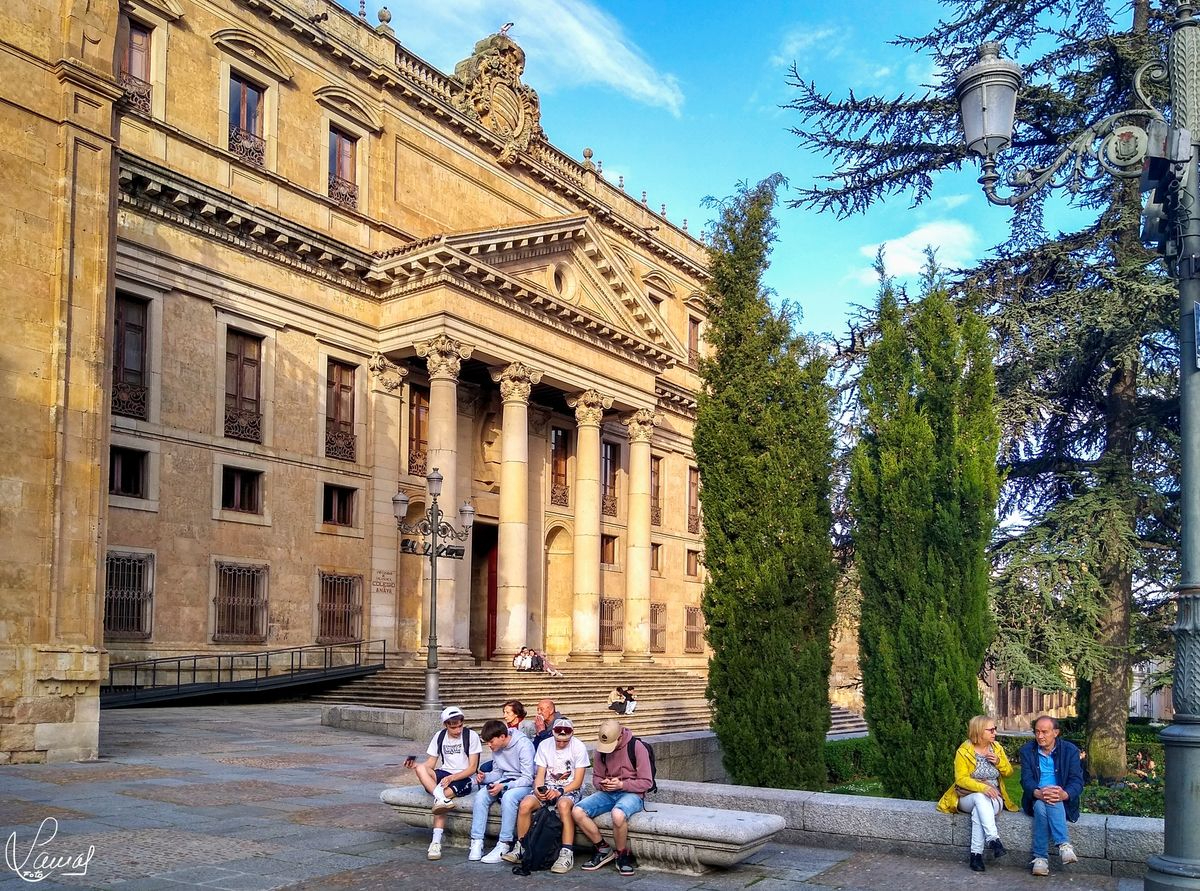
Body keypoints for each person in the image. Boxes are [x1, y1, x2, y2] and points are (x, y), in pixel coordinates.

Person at [503, 717, 590, 873]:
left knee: (563, 805)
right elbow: (540, 774)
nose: (561, 743)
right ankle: (522, 845)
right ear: (553, 735)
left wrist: (560, 791)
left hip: (569, 788)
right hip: (548, 785)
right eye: (558, 741)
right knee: (525, 804)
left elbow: (578, 781)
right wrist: (538, 788)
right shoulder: (544, 745)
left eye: (565, 741)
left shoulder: (579, 747)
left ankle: (566, 852)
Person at [571, 717, 652, 876]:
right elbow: (596, 778)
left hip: (632, 793)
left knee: (618, 814)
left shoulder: (636, 747)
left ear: (620, 736)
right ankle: (603, 848)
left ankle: (622, 854)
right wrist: (604, 784)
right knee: (577, 811)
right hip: (608, 793)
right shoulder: (601, 749)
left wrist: (622, 785)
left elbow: (647, 782)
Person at [936, 715, 1016, 872]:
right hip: (967, 797)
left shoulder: (997, 748)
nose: (995, 733)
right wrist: (983, 787)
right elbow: (961, 779)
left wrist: (999, 762)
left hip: (995, 798)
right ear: (979, 731)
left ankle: (976, 855)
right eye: (991, 730)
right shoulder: (964, 751)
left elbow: (1009, 773)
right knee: (980, 798)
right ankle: (993, 838)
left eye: (995, 729)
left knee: (979, 812)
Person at [404, 705, 482, 861]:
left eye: (460, 726)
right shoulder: (439, 736)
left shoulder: (470, 736)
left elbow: (473, 768)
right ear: (445, 725)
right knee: (420, 769)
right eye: (453, 727)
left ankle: (435, 841)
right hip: (443, 773)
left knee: (440, 803)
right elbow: (430, 764)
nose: (458, 730)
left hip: (462, 776)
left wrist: (452, 778)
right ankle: (440, 796)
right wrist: (415, 766)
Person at [1020, 715, 1084, 876]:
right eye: (1037, 732)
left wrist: (1064, 794)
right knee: (1042, 802)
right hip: (1035, 797)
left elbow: (1077, 781)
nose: (1040, 736)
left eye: (1044, 732)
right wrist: (1037, 792)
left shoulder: (1070, 751)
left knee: (1046, 804)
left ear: (1056, 732)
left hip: (1061, 800)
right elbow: (1026, 780)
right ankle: (1064, 845)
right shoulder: (1027, 751)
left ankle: (1040, 859)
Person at [469, 718, 534, 863]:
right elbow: (498, 773)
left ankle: (504, 843)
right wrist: (485, 777)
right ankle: (477, 840)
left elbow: (528, 778)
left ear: (502, 737)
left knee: (509, 797)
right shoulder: (496, 748)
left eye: (491, 742)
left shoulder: (523, 745)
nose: (489, 745)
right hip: (504, 780)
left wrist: (504, 786)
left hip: (523, 785)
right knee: (481, 795)